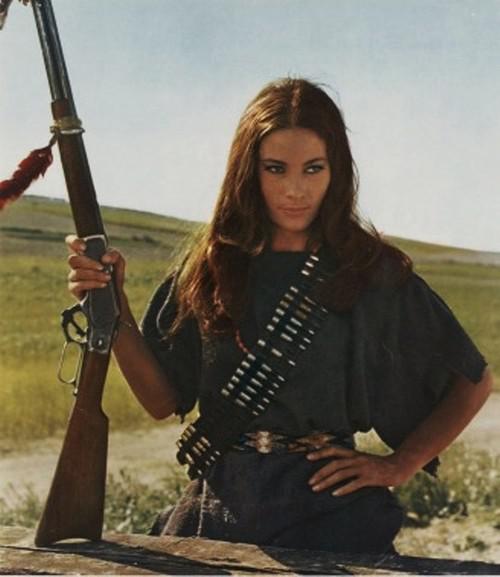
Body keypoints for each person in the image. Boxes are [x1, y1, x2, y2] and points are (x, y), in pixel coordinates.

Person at [65, 78, 492, 554]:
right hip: (221, 504)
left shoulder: (367, 269)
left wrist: (399, 464)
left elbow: (473, 381)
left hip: (330, 508)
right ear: (248, 171)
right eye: (275, 168)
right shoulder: (210, 267)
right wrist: (112, 305)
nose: (294, 189)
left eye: (313, 168)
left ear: (336, 171)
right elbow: (162, 401)